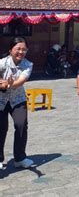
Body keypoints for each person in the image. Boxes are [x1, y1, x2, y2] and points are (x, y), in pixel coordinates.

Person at [0, 37, 34, 170]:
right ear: (10, 50)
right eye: (18, 49)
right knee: (1, 129)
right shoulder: (2, 63)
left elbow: (20, 81)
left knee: (21, 126)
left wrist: (9, 83)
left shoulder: (28, 65)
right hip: (1, 100)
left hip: (18, 100)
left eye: (24, 49)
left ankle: (19, 158)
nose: (21, 52)